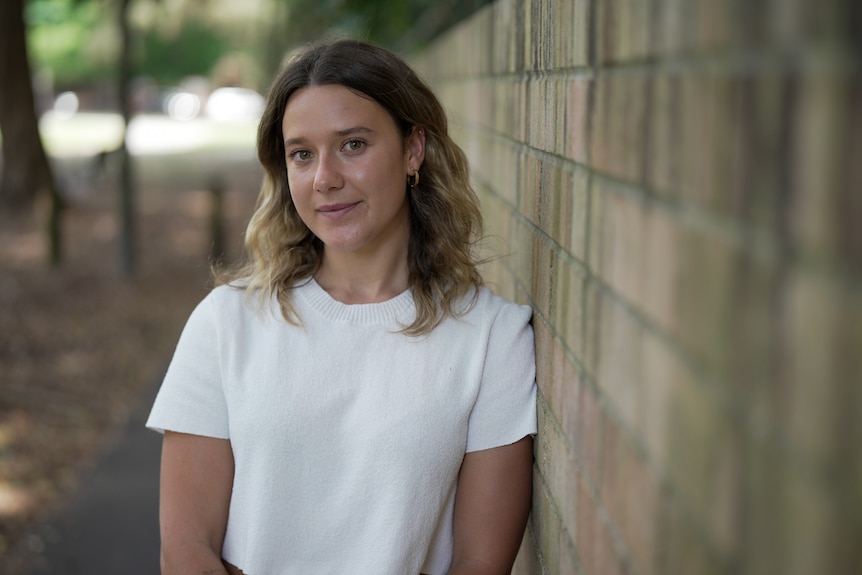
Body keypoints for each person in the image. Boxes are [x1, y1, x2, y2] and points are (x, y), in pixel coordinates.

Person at [146, 38, 537, 575]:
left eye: (352, 144)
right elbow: (186, 550)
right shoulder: (226, 322)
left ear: (412, 150)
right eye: (301, 154)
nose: (324, 178)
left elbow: (479, 564)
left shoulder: (493, 338)